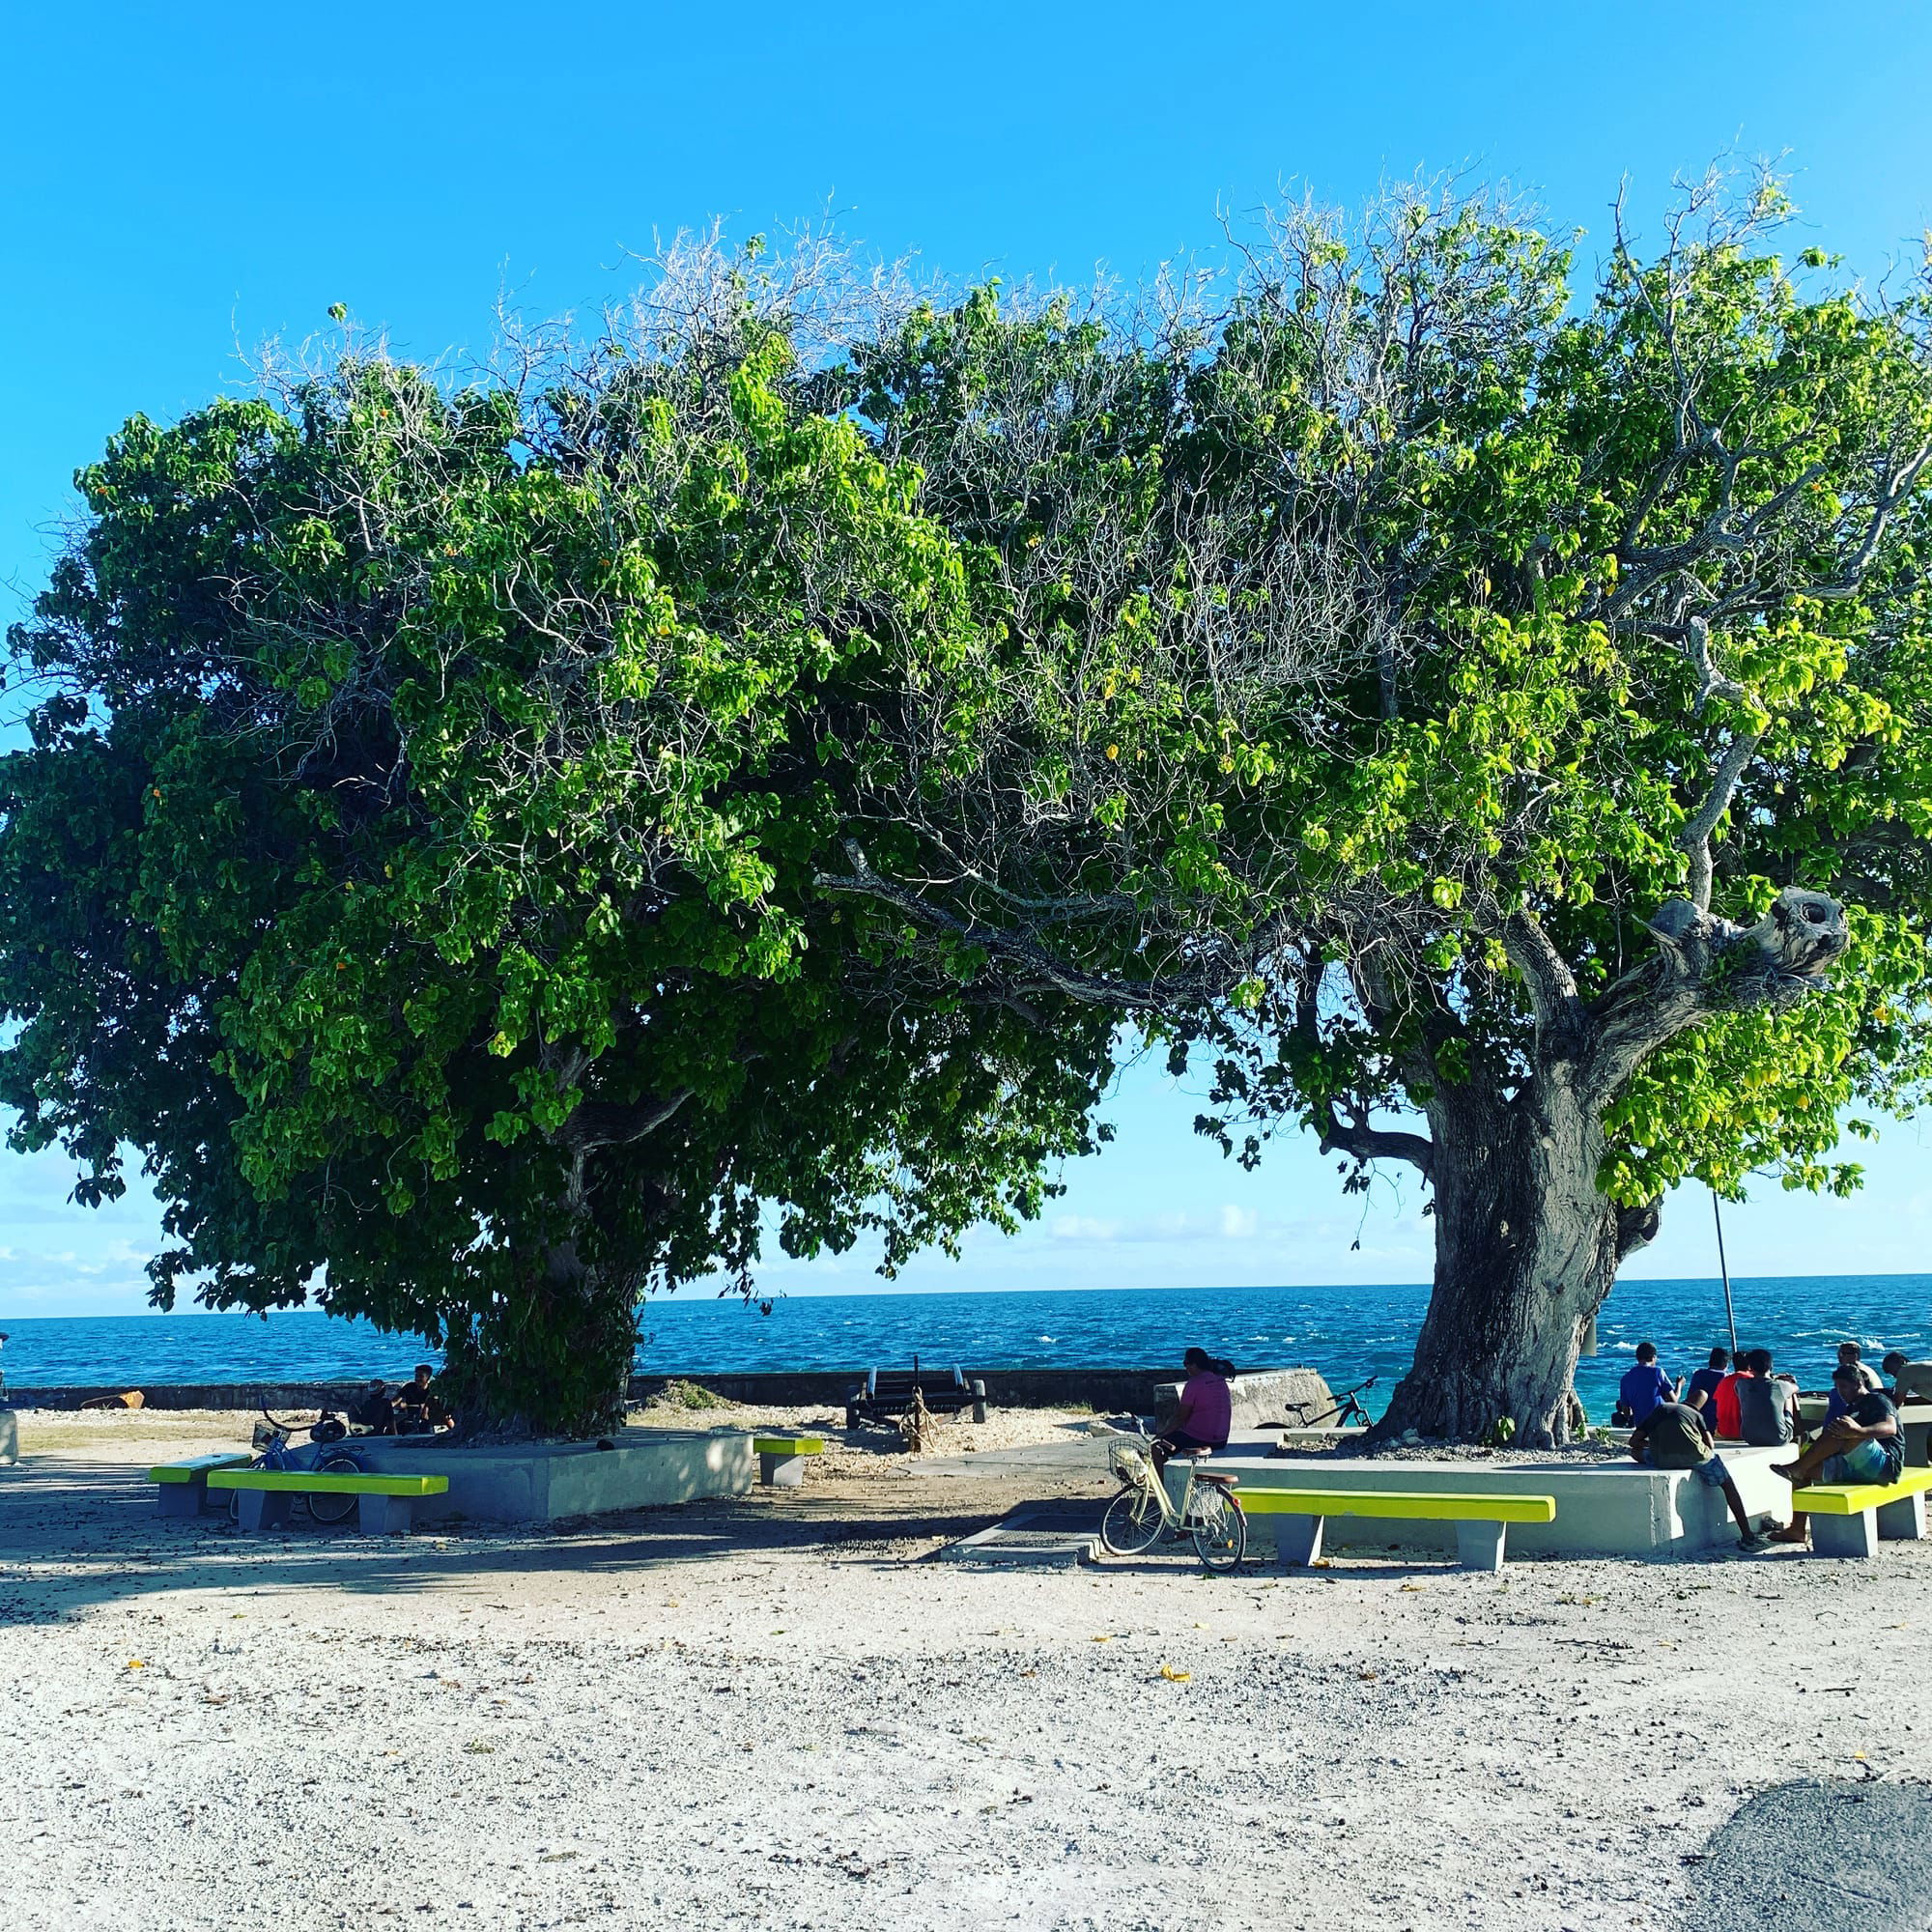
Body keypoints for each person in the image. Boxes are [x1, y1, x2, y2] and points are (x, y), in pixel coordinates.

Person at [1628, 1400, 1769, 1552]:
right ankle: (1747, 1535)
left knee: (1635, 1453)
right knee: (1728, 1485)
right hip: (1697, 1457)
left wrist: (1658, 1443)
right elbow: (1710, 1445)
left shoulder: (1659, 1410)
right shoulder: (1695, 1414)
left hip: (1664, 1459)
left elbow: (1633, 1442)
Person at [1774, 1365, 1903, 1490]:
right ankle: (1801, 1506)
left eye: (1843, 1386)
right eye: (1837, 1387)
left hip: (1885, 1466)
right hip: (1855, 1464)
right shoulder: (1851, 1408)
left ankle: (1797, 1468)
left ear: (1858, 1384)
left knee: (1842, 1424)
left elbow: (1890, 1428)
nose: (1840, 1392)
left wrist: (1858, 1432)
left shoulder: (1878, 1400)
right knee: (1807, 1471)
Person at [1153, 1348, 1235, 1468]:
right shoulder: (1220, 1381)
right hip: (1221, 1440)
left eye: (1186, 1364)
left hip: (1200, 1439)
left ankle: (1161, 1485)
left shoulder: (1194, 1384)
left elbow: (1180, 1418)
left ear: (1194, 1365)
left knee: (1157, 1447)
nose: (1186, 1368)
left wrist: (1161, 1434)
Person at [1736, 1349, 1802, 1448]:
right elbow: (1796, 1388)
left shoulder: (1741, 1384)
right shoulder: (1779, 1386)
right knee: (1789, 1395)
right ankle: (1798, 1433)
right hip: (1778, 1438)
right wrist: (1788, 1381)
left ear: (1750, 1367)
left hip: (1750, 1438)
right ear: (1771, 1366)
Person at [1617, 1343, 1676, 1429]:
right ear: (1653, 1357)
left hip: (1641, 1426)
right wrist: (1679, 1385)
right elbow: (1674, 1401)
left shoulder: (1625, 1378)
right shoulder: (1657, 1372)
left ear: (1637, 1357)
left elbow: (1626, 1412)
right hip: (1661, 1424)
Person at [391, 1364, 453, 1433]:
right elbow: (395, 1401)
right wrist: (390, 1406)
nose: (418, 1379)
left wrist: (409, 1405)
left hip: (429, 1415)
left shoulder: (432, 1389)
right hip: (410, 1415)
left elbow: (433, 1403)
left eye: (421, 1376)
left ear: (428, 1377)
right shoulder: (409, 1387)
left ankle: (453, 1431)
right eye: (416, 1376)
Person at [1684, 1348, 1729, 1424]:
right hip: (1716, 1420)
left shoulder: (1698, 1374)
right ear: (1725, 1364)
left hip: (1696, 1418)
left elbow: (1689, 1396)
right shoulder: (1725, 1377)